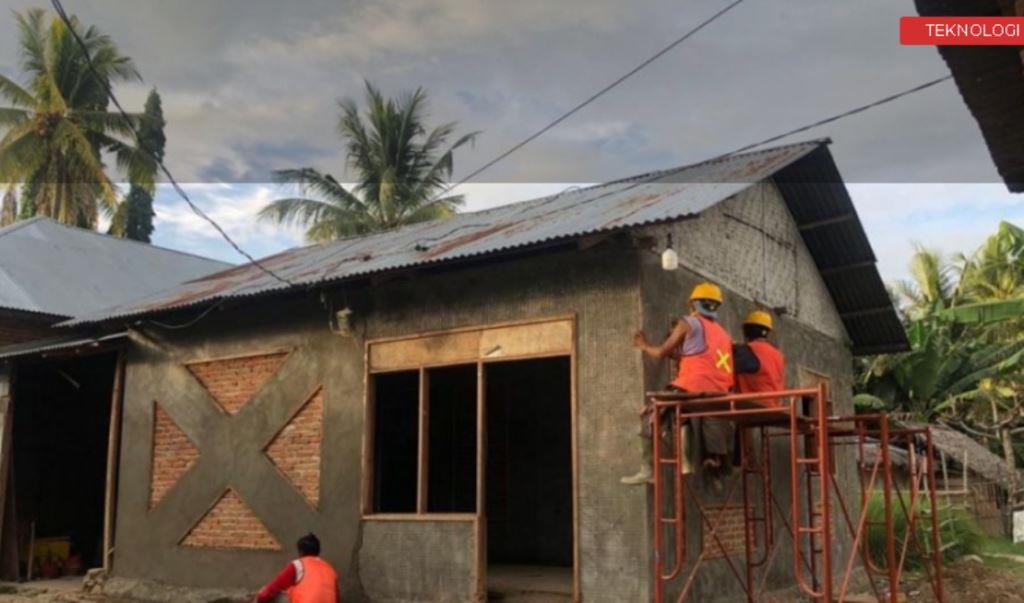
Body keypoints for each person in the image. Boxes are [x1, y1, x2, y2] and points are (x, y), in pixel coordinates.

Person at [623, 282, 735, 485]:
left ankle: (647, 471)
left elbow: (660, 353)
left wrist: (644, 345)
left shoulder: (688, 323)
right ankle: (712, 465)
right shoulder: (724, 334)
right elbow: (703, 358)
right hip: (718, 393)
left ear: (693, 304)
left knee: (650, 415)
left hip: (691, 387)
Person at [256, 533, 339, 603]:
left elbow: (273, 588)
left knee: (276, 593)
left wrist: (260, 598)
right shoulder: (330, 569)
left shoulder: (298, 565)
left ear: (301, 552)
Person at [734, 310, 785, 405]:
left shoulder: (748, 350)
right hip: (774, 406)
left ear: (747, 331)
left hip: (755, 406)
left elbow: (728, 367)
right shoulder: (778, 355)